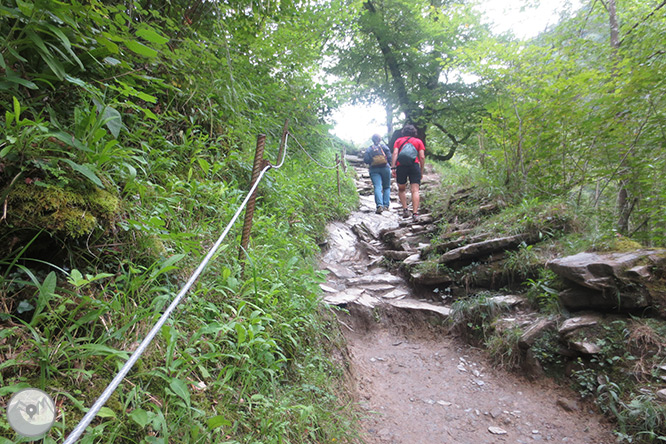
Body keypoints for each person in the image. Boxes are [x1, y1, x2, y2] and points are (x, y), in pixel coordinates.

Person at [391, 124, 425, 221]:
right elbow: (422, 157)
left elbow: (395, 153)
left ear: (403, 132)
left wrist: (393, 167)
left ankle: (405, 210)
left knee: (401, 189)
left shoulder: (398, 141)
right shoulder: (418, 141)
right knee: (415, 190)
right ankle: (415, 214)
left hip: (401, 166)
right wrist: (421, 170)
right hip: (414, 166)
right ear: (414, 132)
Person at [363, 134, 392, 214]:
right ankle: (386, 205)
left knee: (377, 187)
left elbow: (366, 160)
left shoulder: (369, 149)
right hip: (385, 168)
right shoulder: (384, 147)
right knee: (386, 187)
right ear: (380, 139)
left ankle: (379, 205)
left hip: (374, 169)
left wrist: (372, 162)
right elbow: (390, 158)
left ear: (372, 140)